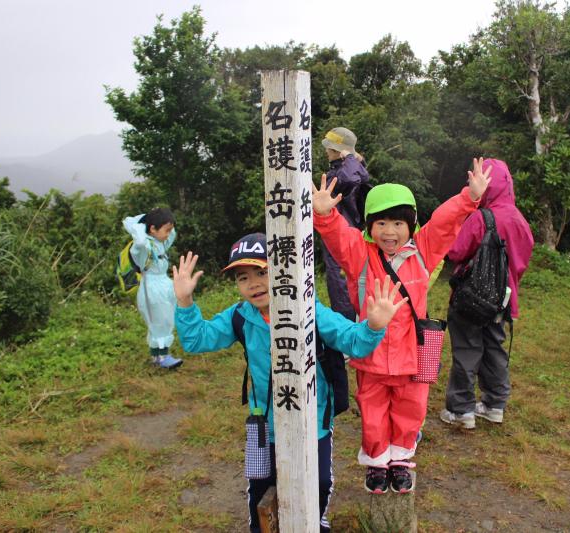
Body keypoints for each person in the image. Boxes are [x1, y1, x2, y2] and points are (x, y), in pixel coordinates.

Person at [172, 233, 408, 532]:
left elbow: (353, 342)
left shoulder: (309, 309)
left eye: (262, 272)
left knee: (318, 481)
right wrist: (184, 300)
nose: (254, 283)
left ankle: (313, 522)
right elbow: (196, 340)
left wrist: (374, 326)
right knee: (260, 483)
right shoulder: (241, 317)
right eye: (243, 277)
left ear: (283, 269)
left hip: (313, 418)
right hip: (263, 422)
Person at [311, 158, 491, 494]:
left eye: (398, 223)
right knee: (373, 411)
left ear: (411, 226)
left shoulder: (424, 250)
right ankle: (378, 462)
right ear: (369, 226)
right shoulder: (360, 254)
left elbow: (445, 222)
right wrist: (324, 214)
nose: (389, 232)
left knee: (411, 411)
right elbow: (338, 236)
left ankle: (401, 460)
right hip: (372, 353)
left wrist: (470, 197)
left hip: (413, 354)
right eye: (380, 223)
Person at [439, 158, 534, 429]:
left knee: (468, 348)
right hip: (502, 299)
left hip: (472, 298)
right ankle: (495, 405)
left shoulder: (482, 217)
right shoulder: (519, 219)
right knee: (494, 348)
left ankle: (462, 410)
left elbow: (456, 251)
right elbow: (523, 260)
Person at [321, 127, 371, 320]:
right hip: (351, 232)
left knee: (339, 279)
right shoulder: (350, 169)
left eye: (330, 148)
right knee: (347, 279)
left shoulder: (341, 174)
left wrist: (350, 158)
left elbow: (351, 178)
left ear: (338, 151)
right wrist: (356, 160)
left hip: (340, 234)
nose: (326, 151)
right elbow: (361, 175)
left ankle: (346, 326)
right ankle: (353, 321)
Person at [123, 208, 182, 369]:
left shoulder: (160, 242)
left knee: (166, 318)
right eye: (166, 230)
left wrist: (157, 219)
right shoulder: (142, 246)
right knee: (159, 320)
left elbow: (173, 233)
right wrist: (142, 225)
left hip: (163, 284)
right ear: (152, 229)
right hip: (151, 288)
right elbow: (140, 240)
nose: (169, 234)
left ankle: (158, 357)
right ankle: (162, 357)